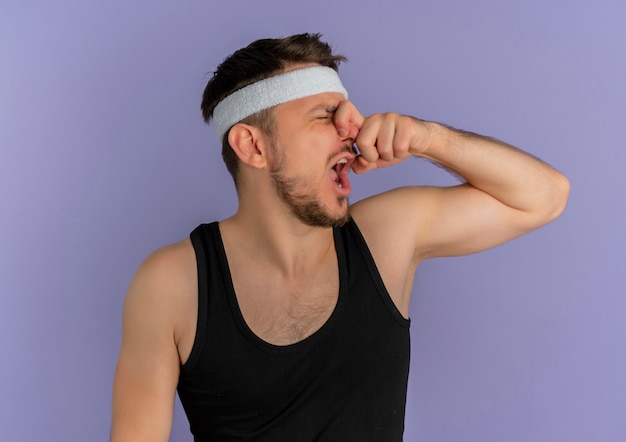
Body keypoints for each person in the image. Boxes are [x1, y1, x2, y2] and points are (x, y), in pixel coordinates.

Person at [110, 33, 569, 441]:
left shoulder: (387, 235)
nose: (352, 131)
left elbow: (544, 196)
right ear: (253, 146)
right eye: (325, 115)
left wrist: (427, 138)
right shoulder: (170, 284)